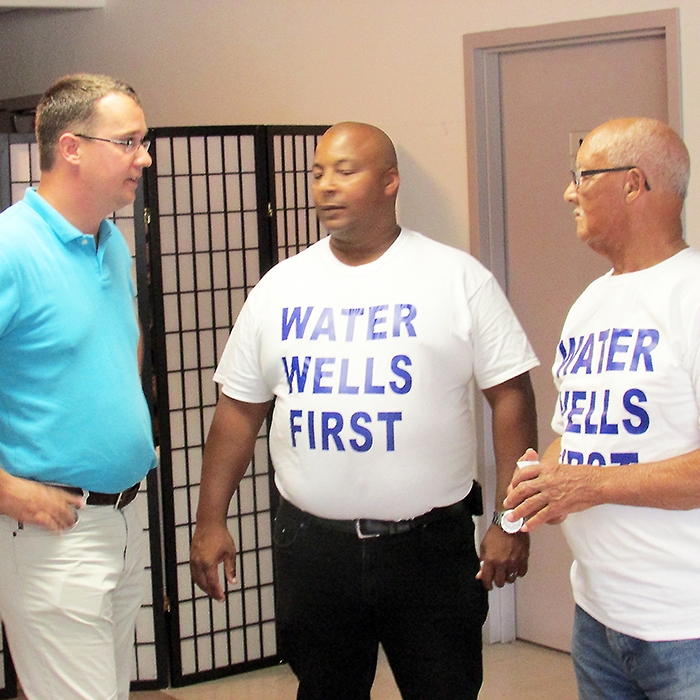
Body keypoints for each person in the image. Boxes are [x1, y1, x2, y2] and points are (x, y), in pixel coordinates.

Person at [190, 121, 538, 700]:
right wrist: (208, 521)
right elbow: (237, 412)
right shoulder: (281, 288)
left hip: (429, 550)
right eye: (318, 171)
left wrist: (512, 521)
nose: (325, 185)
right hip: (314, 552)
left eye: (345, 171)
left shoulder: (456, 278)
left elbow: (511, 397)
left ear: (390, 182)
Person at [504, 117, 700, 699]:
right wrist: (548, 480)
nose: (569, 192)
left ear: (635, 184)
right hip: (597, 618)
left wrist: (588, 487)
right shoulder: (592, 301)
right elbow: (574, 428)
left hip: (684, 628)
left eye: (582, 176)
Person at [0, 74, 156, 700]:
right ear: (70, 148)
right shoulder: (11, 248)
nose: (143, 158)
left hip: (123, 519)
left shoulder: (109, 241)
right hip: (52, 532)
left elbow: (121, 345)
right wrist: (6, 491)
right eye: (128, 142)